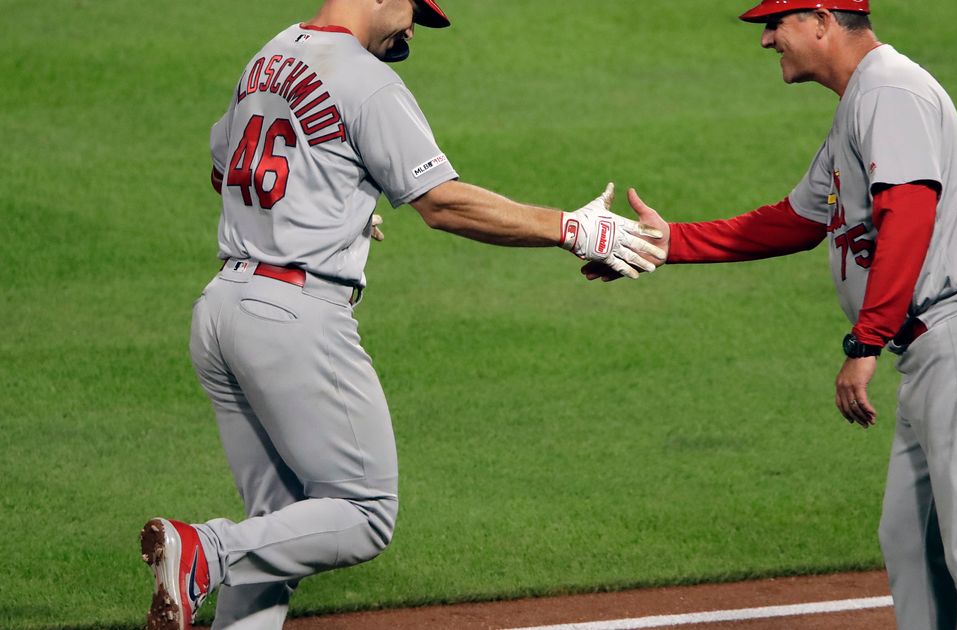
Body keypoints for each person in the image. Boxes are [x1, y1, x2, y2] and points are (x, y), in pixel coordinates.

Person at [138, 1, 664, 628]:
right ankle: (204, 550)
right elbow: (443, 204)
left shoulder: (269, 55)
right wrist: (571, 228)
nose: (413, 28)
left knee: (278, 532)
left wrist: (331, 205)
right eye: (414, 10)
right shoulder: (367, 80)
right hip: (292, 318)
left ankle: (214, 556)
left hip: (222, 309)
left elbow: (227, 169)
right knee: (363, 512)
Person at [590, 1, 957, 628]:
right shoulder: (863, 101)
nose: (767, 40)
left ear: (821, 19)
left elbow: (909, 216)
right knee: (911, 541)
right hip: (942, 345)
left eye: (777, 23)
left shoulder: (890, 91)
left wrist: (864, 344)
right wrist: (673, 243)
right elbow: (800, 218)